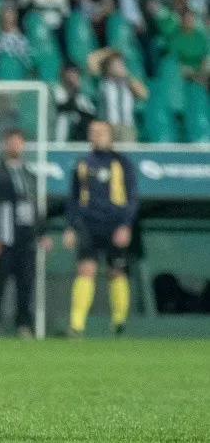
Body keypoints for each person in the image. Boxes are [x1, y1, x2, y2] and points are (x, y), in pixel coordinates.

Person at [63, 120, 138, 337]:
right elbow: (74, 197)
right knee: (85, 270)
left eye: (101, 132)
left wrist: (126, 225)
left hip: (115, 225)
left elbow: (132, 197)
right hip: (88, 224)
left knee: (116, 272)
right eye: (93, 132)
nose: (96, 136)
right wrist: (70, 227)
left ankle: (118, 322)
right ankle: (76, 325)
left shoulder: (123, 163)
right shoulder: (83, 163)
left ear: (110, 136)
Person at [0, 129, 52, 338]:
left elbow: (34, 207)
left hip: (26, 238)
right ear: (5, 144)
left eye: (19, 142)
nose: (15, 146)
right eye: (11, 142)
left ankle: (24, 325)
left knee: (26, 284)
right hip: (4, 237)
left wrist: (42, 233)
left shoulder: (29, 175)